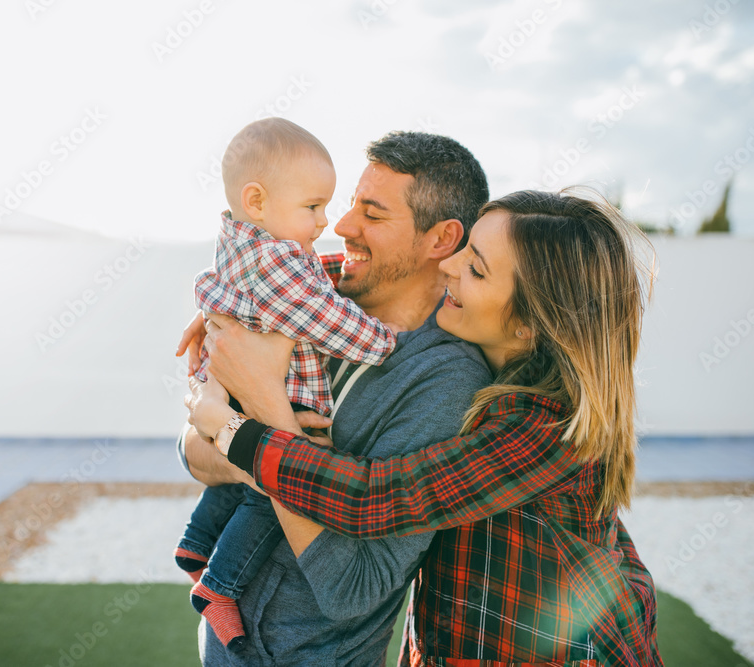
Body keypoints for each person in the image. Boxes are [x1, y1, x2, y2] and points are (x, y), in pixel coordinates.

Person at [188, 189, 665, 666]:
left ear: (530, 322)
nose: (448, 267)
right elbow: (348, 276)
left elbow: (376, 496)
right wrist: (246, 299)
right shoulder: (494, 354)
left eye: (476, 269)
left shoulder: (545, 428)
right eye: (464, 250)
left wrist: (236, 428)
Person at [177, 131, 493, 665]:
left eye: (372, 213)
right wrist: (235, 442)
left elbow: (353, 591)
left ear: (442, 239)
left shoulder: (445, 381)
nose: (340, 226)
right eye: (347, 204)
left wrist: (263, 408)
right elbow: (191, 450)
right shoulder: (312, 302)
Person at [175, 117, 400, 652]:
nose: (326, 222)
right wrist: (386, 342)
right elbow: (328, 317)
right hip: (280, 393)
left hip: (228, 390)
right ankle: (219, 586)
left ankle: (197, 541)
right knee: (272, 488)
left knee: (236, 470)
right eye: (313, 207)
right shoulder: (282, 263)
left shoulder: (243, 239)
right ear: (257, 200)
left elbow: (309, 281)